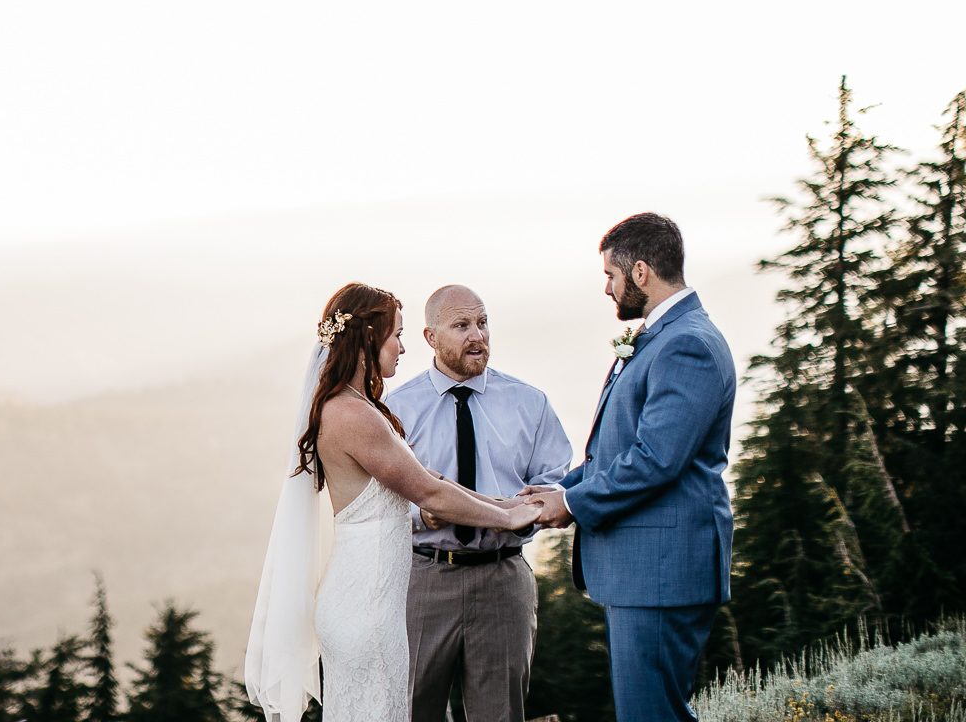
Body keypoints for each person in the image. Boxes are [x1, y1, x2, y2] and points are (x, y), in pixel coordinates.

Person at [246, 283, 546, 722]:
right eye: (397, 335)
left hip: (373, 599)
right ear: (369, 337)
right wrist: (509, 517)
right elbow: (429, 493)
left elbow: (432, 480)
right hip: (365, 604)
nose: (403, 347)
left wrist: (504, 506)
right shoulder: (353, 415)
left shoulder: (355, 406)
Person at [526, 213, 736, 722]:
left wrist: (571, 503)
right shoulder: (664, 335)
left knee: (651, 715)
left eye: (610, 276)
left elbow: (655, 460)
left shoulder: (687, 344)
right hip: (648, 570)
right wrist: (556, 489)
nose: (607, 288)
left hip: (662, 570)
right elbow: (619, 449)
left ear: (640, 272)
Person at [384, 285, 572, 722]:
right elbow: (382, 497)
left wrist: (523, 516)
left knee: (500, 715)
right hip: (424, 579)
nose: (477, 336)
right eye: (462, 325)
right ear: (430, 337)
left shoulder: (530, 402)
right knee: (412, 710)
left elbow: (553, 480)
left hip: (503, 580)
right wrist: (420, 512)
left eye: (483, 323)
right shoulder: (397, 409)